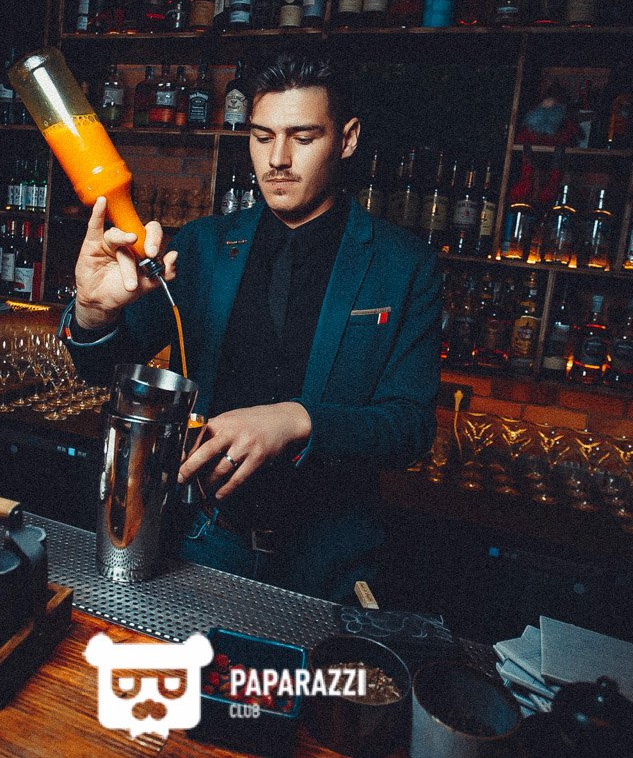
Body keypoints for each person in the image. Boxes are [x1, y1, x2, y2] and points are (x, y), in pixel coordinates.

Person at [62, 52, 442, 602]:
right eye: (263, 137)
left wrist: (297, 420)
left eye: (303, 137)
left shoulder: (403, 265)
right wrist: (94, 312)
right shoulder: (204, 246)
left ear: (347, 139)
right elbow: (100, 367)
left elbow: (410, 428)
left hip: (327, 563)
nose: (278, 159)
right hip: (203, 541)